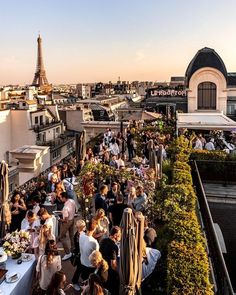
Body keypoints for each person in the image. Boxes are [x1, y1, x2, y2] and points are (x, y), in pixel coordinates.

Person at [99, 226, 121, 295]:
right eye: (119, 235)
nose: (120, 237)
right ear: (115, 235)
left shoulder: (103, 240)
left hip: (102, 269)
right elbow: (113, 265)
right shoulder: (114, 247)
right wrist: (119, 273)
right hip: (110, 273)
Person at [59, 192, 76, 261]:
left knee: (62, 237)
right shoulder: (72, 201)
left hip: (67, 222)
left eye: (61, 197)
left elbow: (65, 221)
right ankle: (73, 250)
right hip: (72, 220)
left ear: (64, 198)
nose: (60, 198)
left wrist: (59, 219)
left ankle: (67, 253)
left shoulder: (65, 208)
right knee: (71, 235)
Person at [71, 219, 86, 290]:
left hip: (83, 254)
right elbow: (79, 247)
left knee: (82, 268)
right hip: (80, 255)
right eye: (84, 226)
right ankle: (74, 282)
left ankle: (83, 280)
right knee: (79, 269)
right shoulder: (77, 236)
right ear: (80, 227)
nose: (85, 227)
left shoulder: (83, 233)